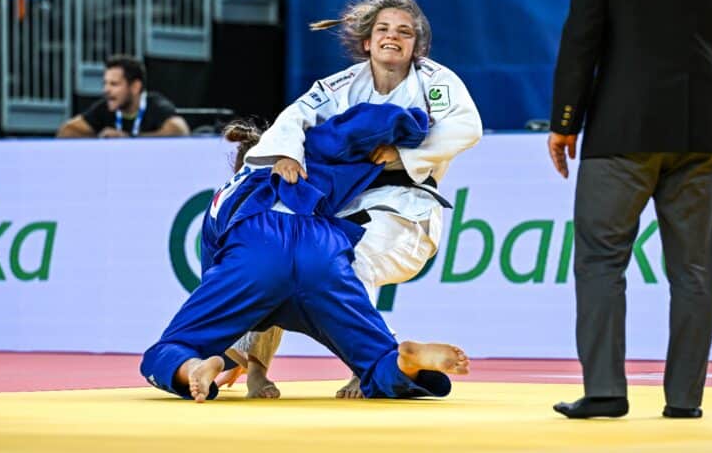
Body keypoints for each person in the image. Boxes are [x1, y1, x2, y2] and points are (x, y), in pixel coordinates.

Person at [548, 0, 712, 419]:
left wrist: (565, 120)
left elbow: (583, 35)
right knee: (694, 272)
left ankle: (605, 391)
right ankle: (685, 400)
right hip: (700, 134)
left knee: (601, 260)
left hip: (623, 132)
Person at [218, 0, 483, 399]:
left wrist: (403, 154)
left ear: (417, 45)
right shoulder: (342, 85)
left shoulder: (436, 81)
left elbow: (467, 128)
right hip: (344, 206)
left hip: (405, 209)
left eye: (404, 31)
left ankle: (370, 365)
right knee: (280, 252)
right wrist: (287, 153)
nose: (393, 36)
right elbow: (296, 116)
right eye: (383, 29)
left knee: (348, 260)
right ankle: (253, 366)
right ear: (367, 41)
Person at [140, 102, 471, 402]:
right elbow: (357, 125)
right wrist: (412, 122)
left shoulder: (225, 196)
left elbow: (216, 282)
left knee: (169, 349)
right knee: (376, 361)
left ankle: (191, 367)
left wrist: (210, 348)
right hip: (321, 251)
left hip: (256, 247)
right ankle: (402, 361)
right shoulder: (305, 154)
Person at [57, 54, 191, 138]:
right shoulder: (106, 106)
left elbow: (180, 130)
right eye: (105, 83)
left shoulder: (154, 104)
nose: (106, 90)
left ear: (135, 87)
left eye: (114, 84)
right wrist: (100, 139)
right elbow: (67, 130)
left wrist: (130, 138)